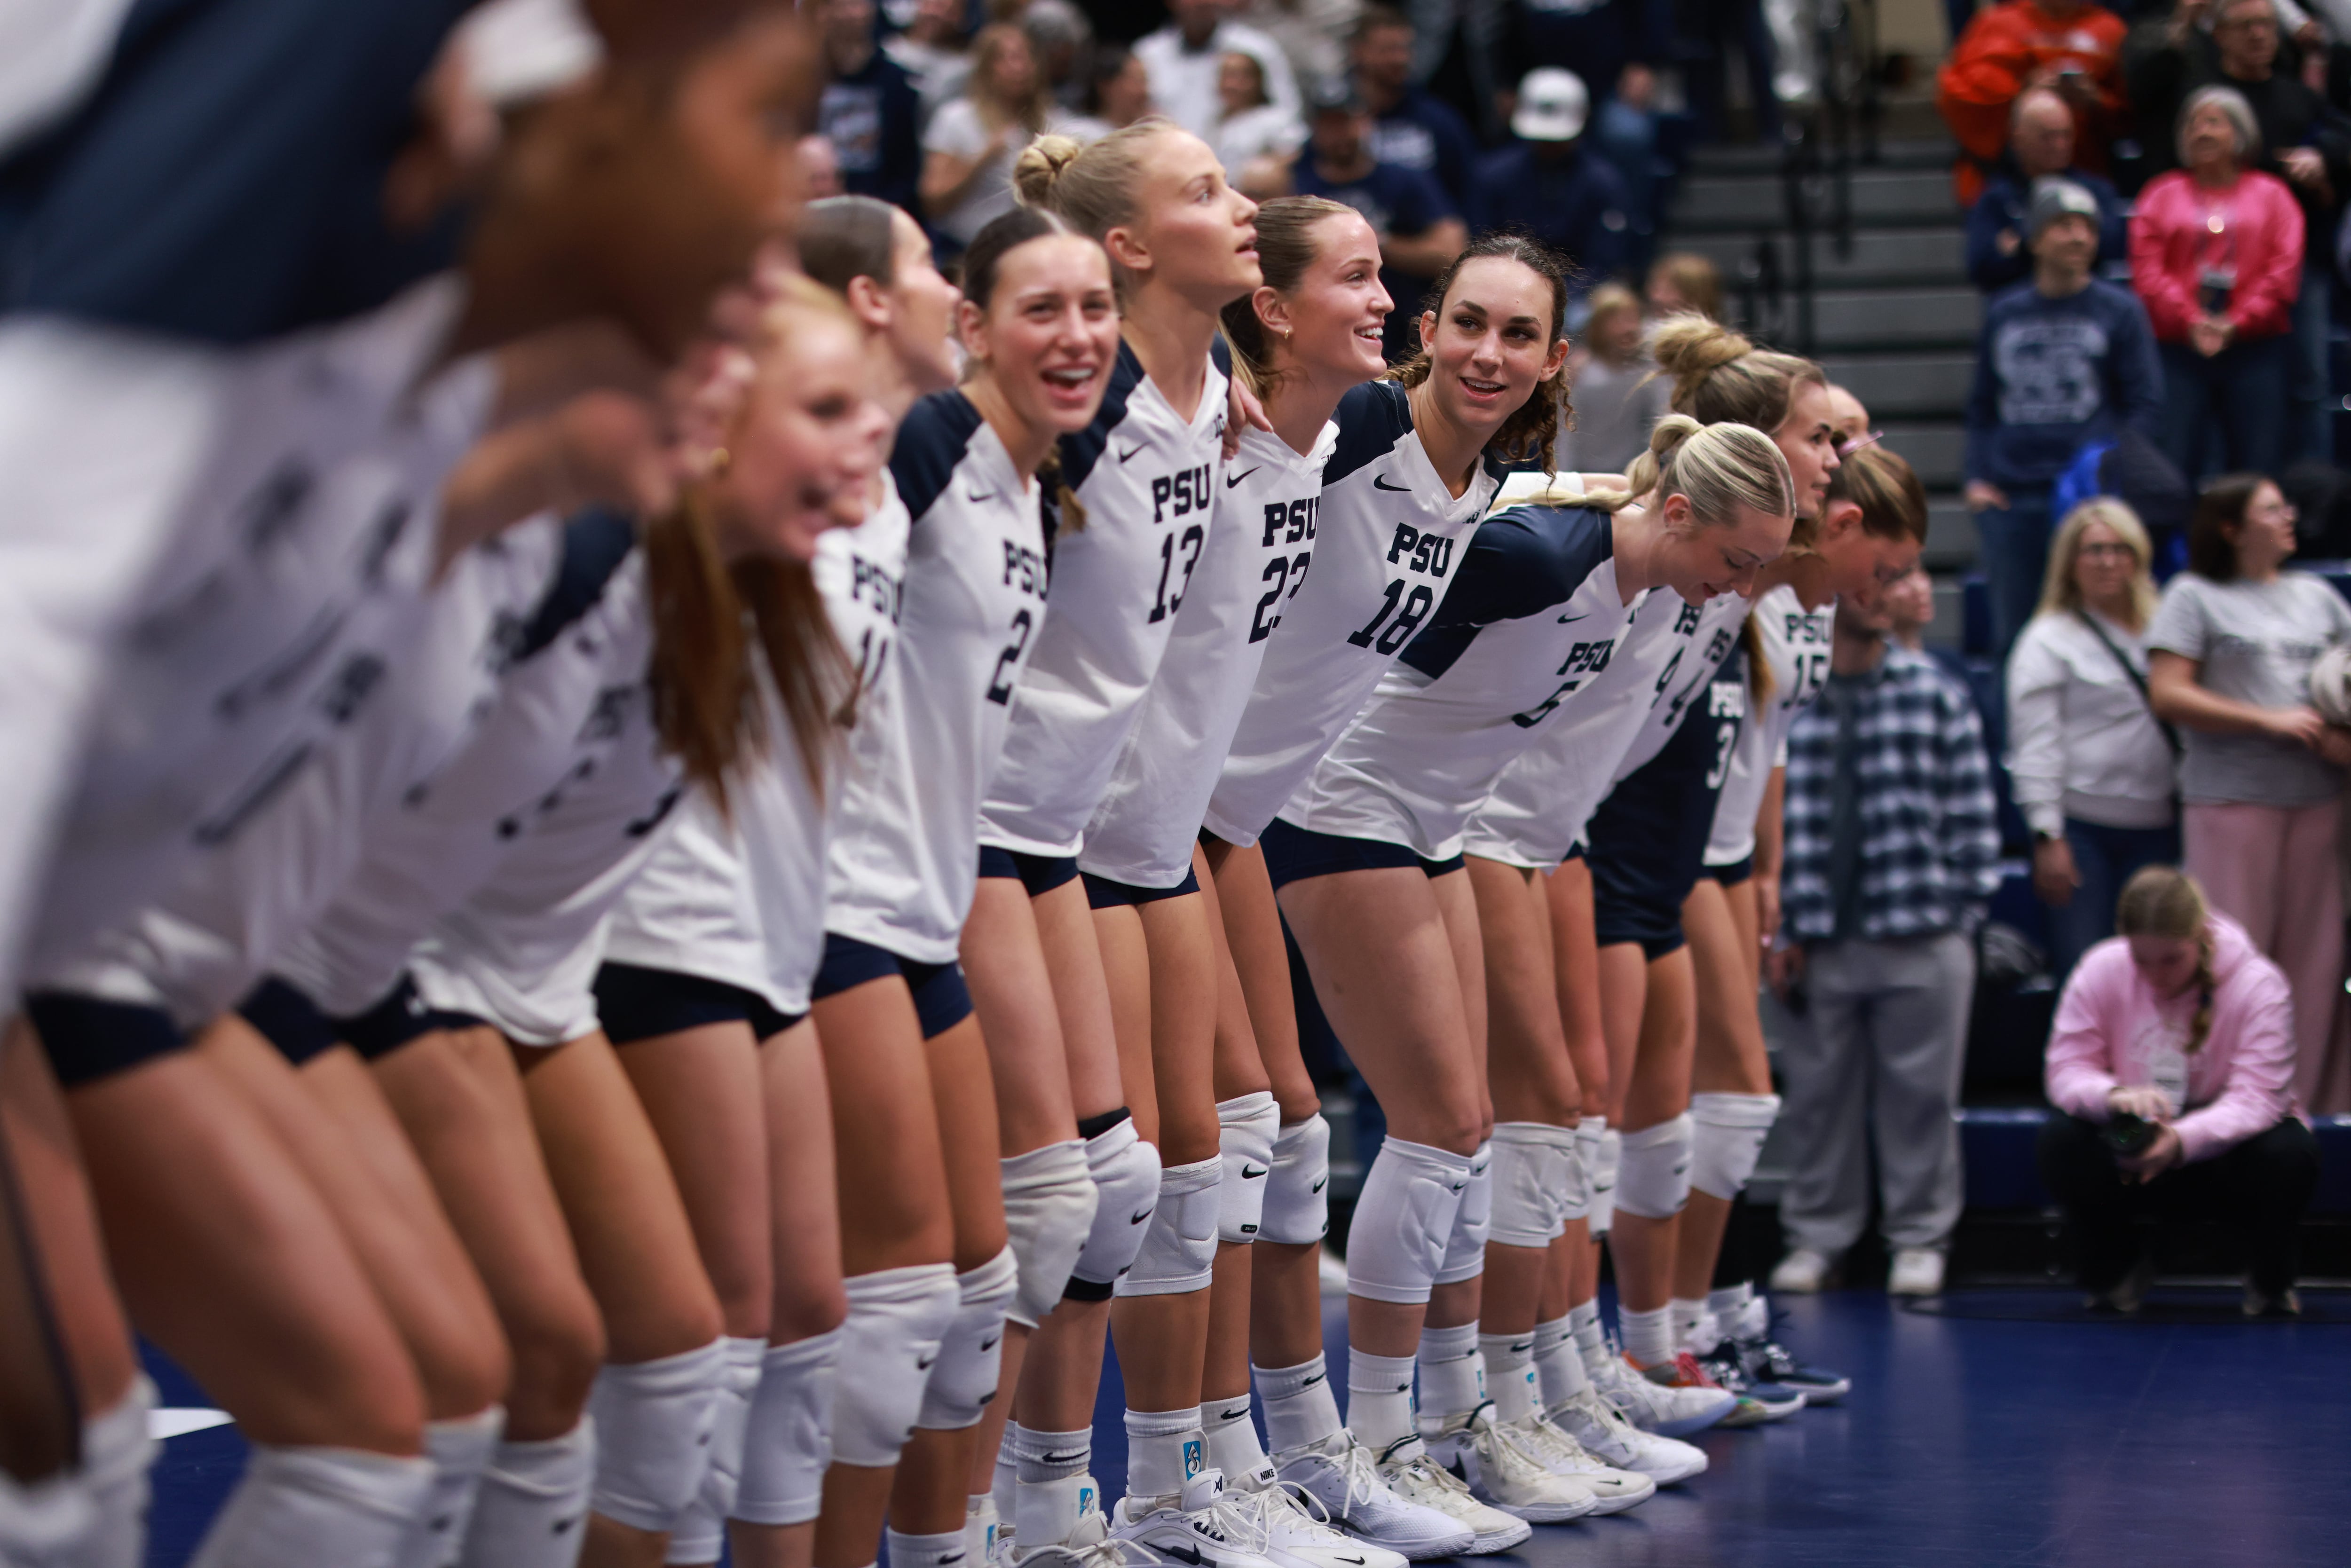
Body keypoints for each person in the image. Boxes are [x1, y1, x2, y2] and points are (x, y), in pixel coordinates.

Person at [1074, 195, 1450, 1567]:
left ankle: (1256, 1459)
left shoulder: (1319, 441)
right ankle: (1140, 1484)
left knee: (1274, 1141)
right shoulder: (1211, 441)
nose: (1386, 300)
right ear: (1275, 311)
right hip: (1118, 832)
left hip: (1213, 821)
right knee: (1156, 1171)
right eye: (1357, 277)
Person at [953, 121, 1266, 1568]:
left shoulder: (1207, 401)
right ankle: (956, 1523)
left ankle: (1047, 1507)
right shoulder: (1078, 408)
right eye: (1206, 190)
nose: (1242, 203)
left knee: (1121, 1189)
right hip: (981, 831)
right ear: (1129, 242)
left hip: (1073, 833)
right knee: (1019, 1215)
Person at [801, 205, 1122, 1568]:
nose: (1081, 335)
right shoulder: (923, 443)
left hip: (924, 909)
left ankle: (950, 1545)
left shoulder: (1023, 472)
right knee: (872, 1316)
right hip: (834, 912)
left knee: (993, 1271)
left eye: (1096, 307)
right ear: (970, 326)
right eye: (1040, 308)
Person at [1670, 452, 1931, 1401]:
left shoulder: (1800, 597)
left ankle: (1708, 1319)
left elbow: (1768, 742)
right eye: (1887, 567)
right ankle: (1659, 1336)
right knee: (1673, 1103)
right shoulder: (1734, 574)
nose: (1889, 590)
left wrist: (1768, 863)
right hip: (1673, 848)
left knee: (1717, 1103)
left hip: (1730, 851)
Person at [1769, 585, 2003, 1299]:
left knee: (1923, 1099)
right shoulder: (1787, 692)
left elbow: (1973, 813)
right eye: (1863, 582)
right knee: (1815, 1100)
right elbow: (1761, 816)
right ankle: (1818, 1237)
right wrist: (1780, 925)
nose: (1879, 595)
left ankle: (1920, 1237)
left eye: (1889, 580)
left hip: (1921, 928)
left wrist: (1958, 912)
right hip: (1814, 937)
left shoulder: (1935, 692)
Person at [2146, 473, 2351, 1111]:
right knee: (2231, 960)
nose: (2288, 515)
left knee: (2316, 964)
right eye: (2270, 508)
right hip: (2231, 801)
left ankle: (2307, 1111)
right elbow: (2168, 692)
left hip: (2318, 799)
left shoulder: (2319, 597)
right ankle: (2227, 1107)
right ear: (2230, 527)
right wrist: (2267, 720)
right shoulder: (2193, 595)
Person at [2039, 866, 2320, 1315]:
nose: (2156, 975)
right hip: (2137, 1148)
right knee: (2061, 1139)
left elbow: (2260, 1098)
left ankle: (2269, 1278)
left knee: (2291, 1151)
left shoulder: (2259, 984)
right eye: (2141, 960)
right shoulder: (2100, 968)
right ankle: (2115, 1271)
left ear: (2202, 936)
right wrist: (2112, 1095)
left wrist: (2180, 1141)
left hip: (2227, 1154)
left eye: (2171, 960)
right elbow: (2066, 1068)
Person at [2125, 0, 2351, 464]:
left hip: (2272, 297)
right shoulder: (2194, 95)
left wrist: (2321, 158)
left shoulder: (2294, 99)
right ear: (2220, 35)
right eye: (2245, 26)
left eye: (2266, 25)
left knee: (2304, 389)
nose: (2258, 35)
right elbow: (2149, 271)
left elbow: (2340, 133)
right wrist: (2191, 319)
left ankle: (2308, 489)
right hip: (2186, 322)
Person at [1964, 176, 2165, 659]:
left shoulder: (2119, 310)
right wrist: (1976, 476)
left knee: (2098, 630)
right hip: (2012, 496)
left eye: (2088, 228)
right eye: (2064, 226)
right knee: (2014, 639)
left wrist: (2113, 472)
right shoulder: (2004, 312)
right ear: (2034, 239)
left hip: (2086, 494)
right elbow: (1982, 405)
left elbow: (2145, 403)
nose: (2079, 237)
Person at [2006, 499, 2180, 984]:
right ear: (2070, 562)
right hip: (2083, 832)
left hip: (2160, 826)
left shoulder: (2167, 629)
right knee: (2085, 976)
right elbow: (2035, 743)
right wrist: (2047, 833)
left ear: (2138, 557)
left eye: (2119, 549)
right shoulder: (2046, 639)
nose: (2107, 561)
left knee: (2160, 977)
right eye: (2093, 550)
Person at [2130, 86, 2305, 480]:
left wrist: (2236, 322)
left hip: (2256, 349)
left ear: (2240, 133)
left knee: (2257, 468)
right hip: (2178, 349)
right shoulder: (2159, 195)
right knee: (2173, 468)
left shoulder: (2274, 195)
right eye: (2192, 124)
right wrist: (2190, 320)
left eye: (2214, 122)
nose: (2202, 132)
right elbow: (2148, 273)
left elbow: (2283, 271)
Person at [1292, 82, 1467, 363]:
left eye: (1345, 122)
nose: (1339, 134)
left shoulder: (1403, 180)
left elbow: (1452, 252)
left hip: (1401, 333)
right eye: (1329, 125)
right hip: (1324, 337)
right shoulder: (1295, 184)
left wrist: (1375, 244)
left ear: (1366, 122)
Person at [1938, 0, 2130, 205]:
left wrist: (2096, 100)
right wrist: (2025, 91)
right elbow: (1959, 96)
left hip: (2089, 175)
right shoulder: (1998, 24)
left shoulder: (2111, 29)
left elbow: (2132, 111)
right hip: (2006, 178)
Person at [1466, 70, 1632, 300]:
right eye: (1541, 138)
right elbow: (1480, 248)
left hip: (1581, 294)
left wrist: (1560, 298)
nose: (1549, 146)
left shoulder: (1604, 182)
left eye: (1558, 139)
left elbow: (1604, 262)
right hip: (1504, 286)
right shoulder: (1493, 176)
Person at [1965, 87, 2130, 291]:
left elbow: (2113, 247)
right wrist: (2072, 245)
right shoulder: (1995, 198)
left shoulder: (2097, 191)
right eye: (2047, 137)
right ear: (2018, 139)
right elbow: (1982, 267)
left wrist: (2022, 247)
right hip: (2018, 305)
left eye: (2066, 135)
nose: (2059, 145)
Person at [921, 24, 1058, 251]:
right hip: (963, 246)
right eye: (1008, 59)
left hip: (1026, 246)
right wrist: (983, 159)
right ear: (986, 68)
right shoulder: (956, 119)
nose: (1020, 68)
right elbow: (933, 200)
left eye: (1026, 58)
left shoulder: (1050, 122)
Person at [1354, 5, 1481, 205]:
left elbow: (1469, 191)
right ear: (1359, 52)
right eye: (1388, 50)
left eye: (1404, 49)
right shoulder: (1341, 122)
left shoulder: (1439, 120)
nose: (1400, 59)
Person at [1135, 0, 1304, 142]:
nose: (1202, 3)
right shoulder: (1147, 54)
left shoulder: (1257, 49)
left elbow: (1289, 116)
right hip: (1168, 160)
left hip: (1242, 162)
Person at [819, 0, 925, 210]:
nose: (850, 13)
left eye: (858, 4)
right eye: (841, 5)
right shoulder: (805, 78)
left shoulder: (896, 81)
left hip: (879, 207)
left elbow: (906, 163)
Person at [1558, 284, 1668, 474]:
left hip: (1633, 472)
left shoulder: (1647, 371)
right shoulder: (1580, 372)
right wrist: (1564, 477)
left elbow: (1657, 421)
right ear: (1599, 326)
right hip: (1586, 473)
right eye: (1616, 321)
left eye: (1633, 319)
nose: (1628, 328)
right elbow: (1566, 432)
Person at [1212, 49, 1306, 191]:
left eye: (1238, 76)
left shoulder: (1275, 119)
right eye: (1225, 76)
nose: (1230, 84)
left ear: (1257, 80)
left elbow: (1293, 156)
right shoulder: (1216, 122)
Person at [886, 0, 976, 122]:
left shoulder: (966, 68)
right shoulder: (888, 52)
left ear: (962, 18)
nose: (937, 14)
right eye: (933, 5)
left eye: (949, 11)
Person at [1059, 46, 1155, 142]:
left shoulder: (1151, 134)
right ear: (1106, 85)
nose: (1144, 90)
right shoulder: (1080, 134)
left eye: (1145, 81)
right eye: (1136, 81)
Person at [1644, 253, 1724, 322]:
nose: (1657, 298)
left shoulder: (1714, 334)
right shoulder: (1642, 329)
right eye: (1656, 288)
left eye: (1669, 290)